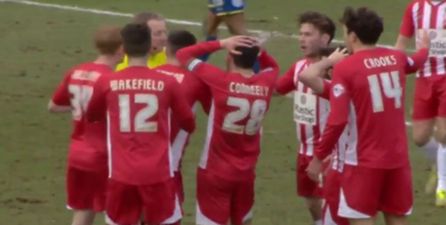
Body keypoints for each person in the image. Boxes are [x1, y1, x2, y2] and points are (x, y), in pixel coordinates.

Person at [307, 7, 429, 225]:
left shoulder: (346, 68)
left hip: (363, 164)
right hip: (398, 162)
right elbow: (417, 61)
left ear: (353, 36)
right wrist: (426, 47)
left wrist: (317, 158)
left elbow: (337, 121)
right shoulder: (397, 58)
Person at [86, 23, 195, 225]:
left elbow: (92, 115)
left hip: (121, 173)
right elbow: (189, 123)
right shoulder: (168, 83)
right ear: (149, 47)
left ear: (123, 48)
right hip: (158, 174)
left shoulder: (107, 81)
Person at [177, 35, 279, 225]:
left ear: (230, 56)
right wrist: (260, 51)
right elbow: (273, 67)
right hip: (246, 172)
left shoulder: (219, 79)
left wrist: (222, 43)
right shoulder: (265, 82)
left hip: (215, 171)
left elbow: (183, 54)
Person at [48, 25, 123, 225]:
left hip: (77, 153)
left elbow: (53, 106)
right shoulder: (111, 79)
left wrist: (79, 108)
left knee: (84, 209)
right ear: (120, 49)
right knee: (120, 212)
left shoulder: (76, 71)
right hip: (103, 157)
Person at [275, 11, 336, 225]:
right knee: (311, 202)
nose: (302, 39)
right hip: (303, 151)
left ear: (325, 38)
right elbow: (276, 89)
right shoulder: (299, 67)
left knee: (330, 204)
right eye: (301, 34)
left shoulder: (333, 69)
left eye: (308, 34)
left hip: (327, 153)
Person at [154, 30, 211, 224]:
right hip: (169, 168)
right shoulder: (196, 81)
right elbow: (213, 112)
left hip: (135, 161)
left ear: (166, 48)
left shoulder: (150, 74)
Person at [395, 0, 446, 206]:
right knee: (420, 137)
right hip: (423, 77)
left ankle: (442, 186)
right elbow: (401, 42)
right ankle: (440, 163)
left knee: (444, 134)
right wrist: (393, 67)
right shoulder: (415, 7)